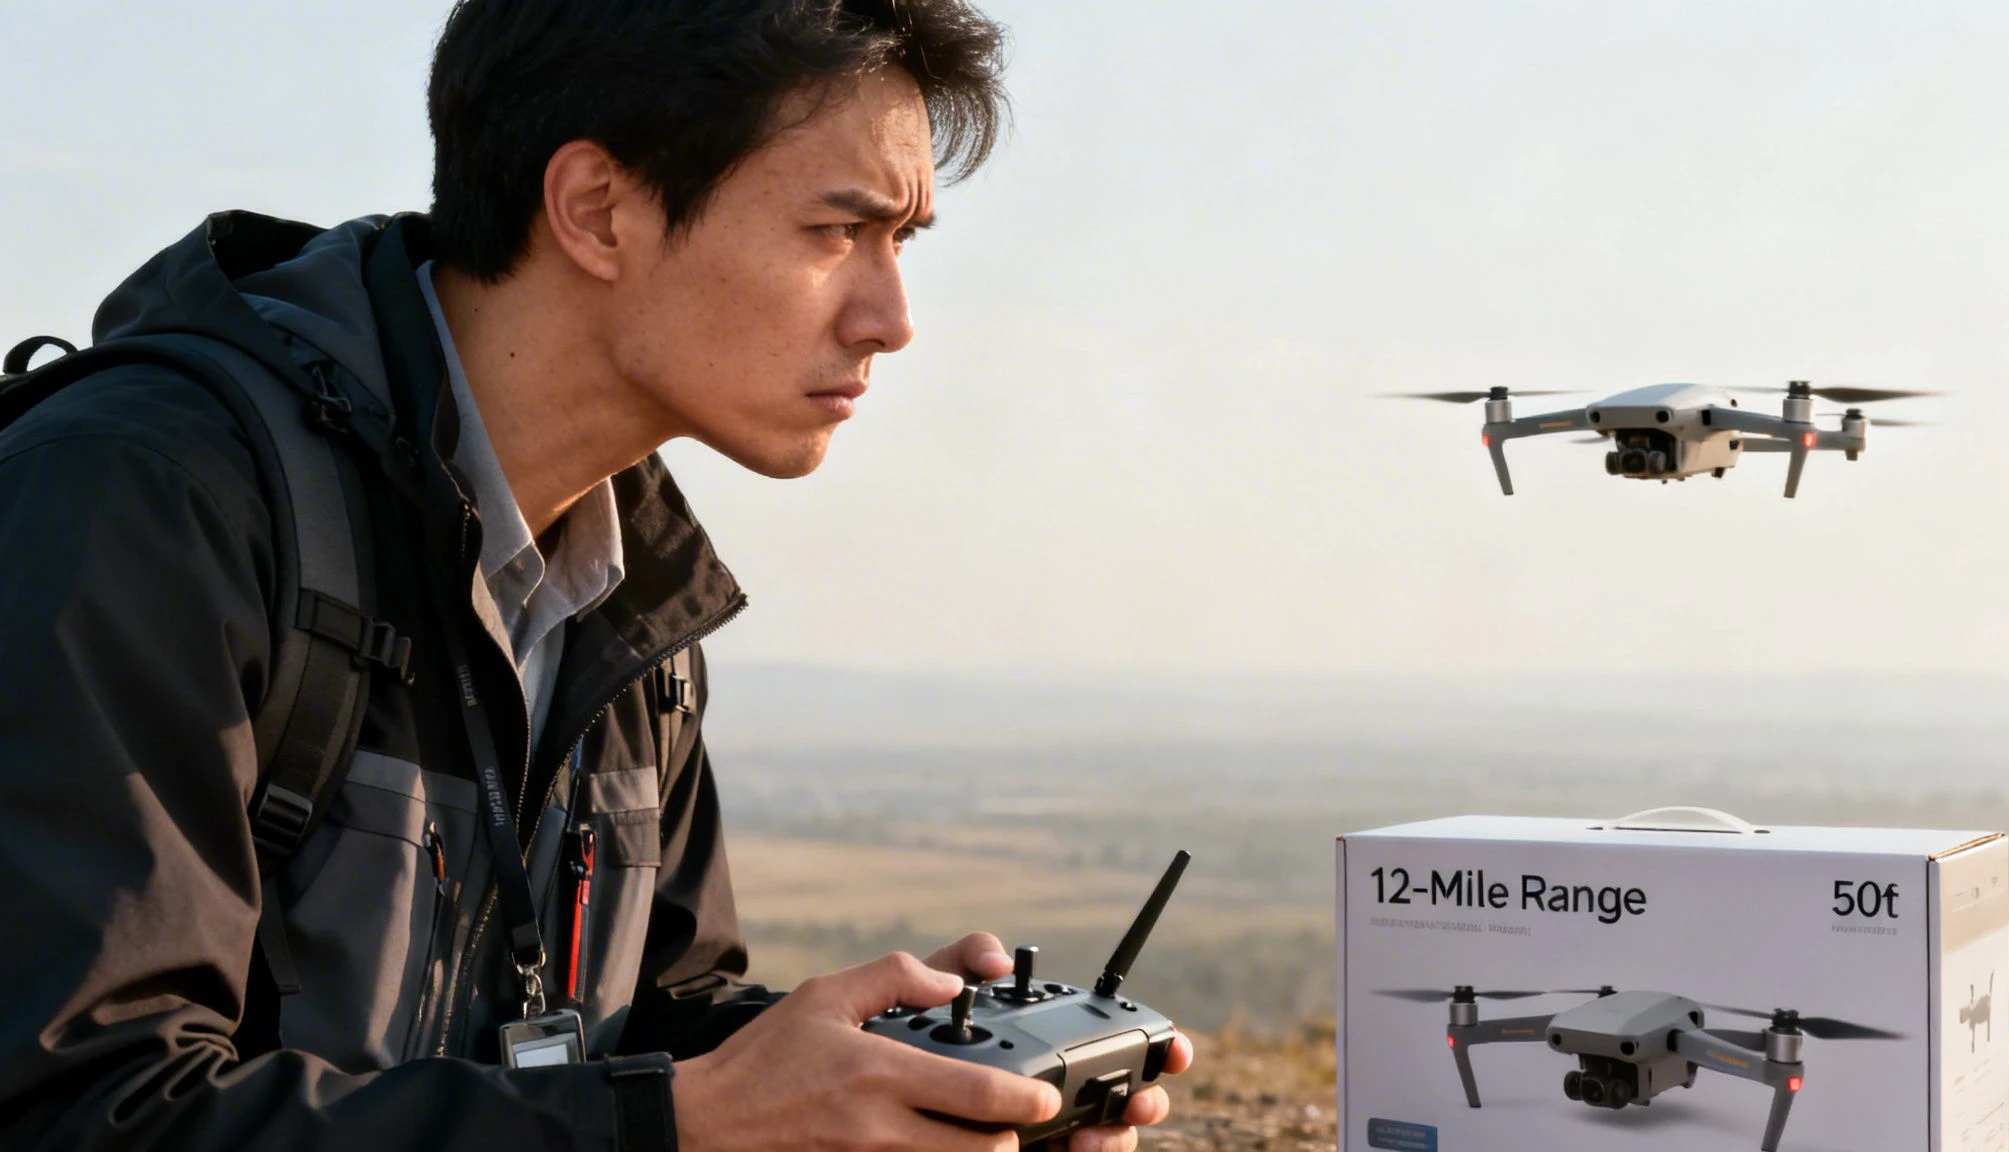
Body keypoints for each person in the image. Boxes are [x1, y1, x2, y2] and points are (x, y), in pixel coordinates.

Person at [0, 2, 1191, 1149]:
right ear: (596, 209)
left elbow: (649, 1028)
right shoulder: (142, 504)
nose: (892, 318)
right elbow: (81, 1112)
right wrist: (675, 1128)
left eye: (901, 240)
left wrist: (884, 1083)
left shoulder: (631, 581)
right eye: (837, 232)